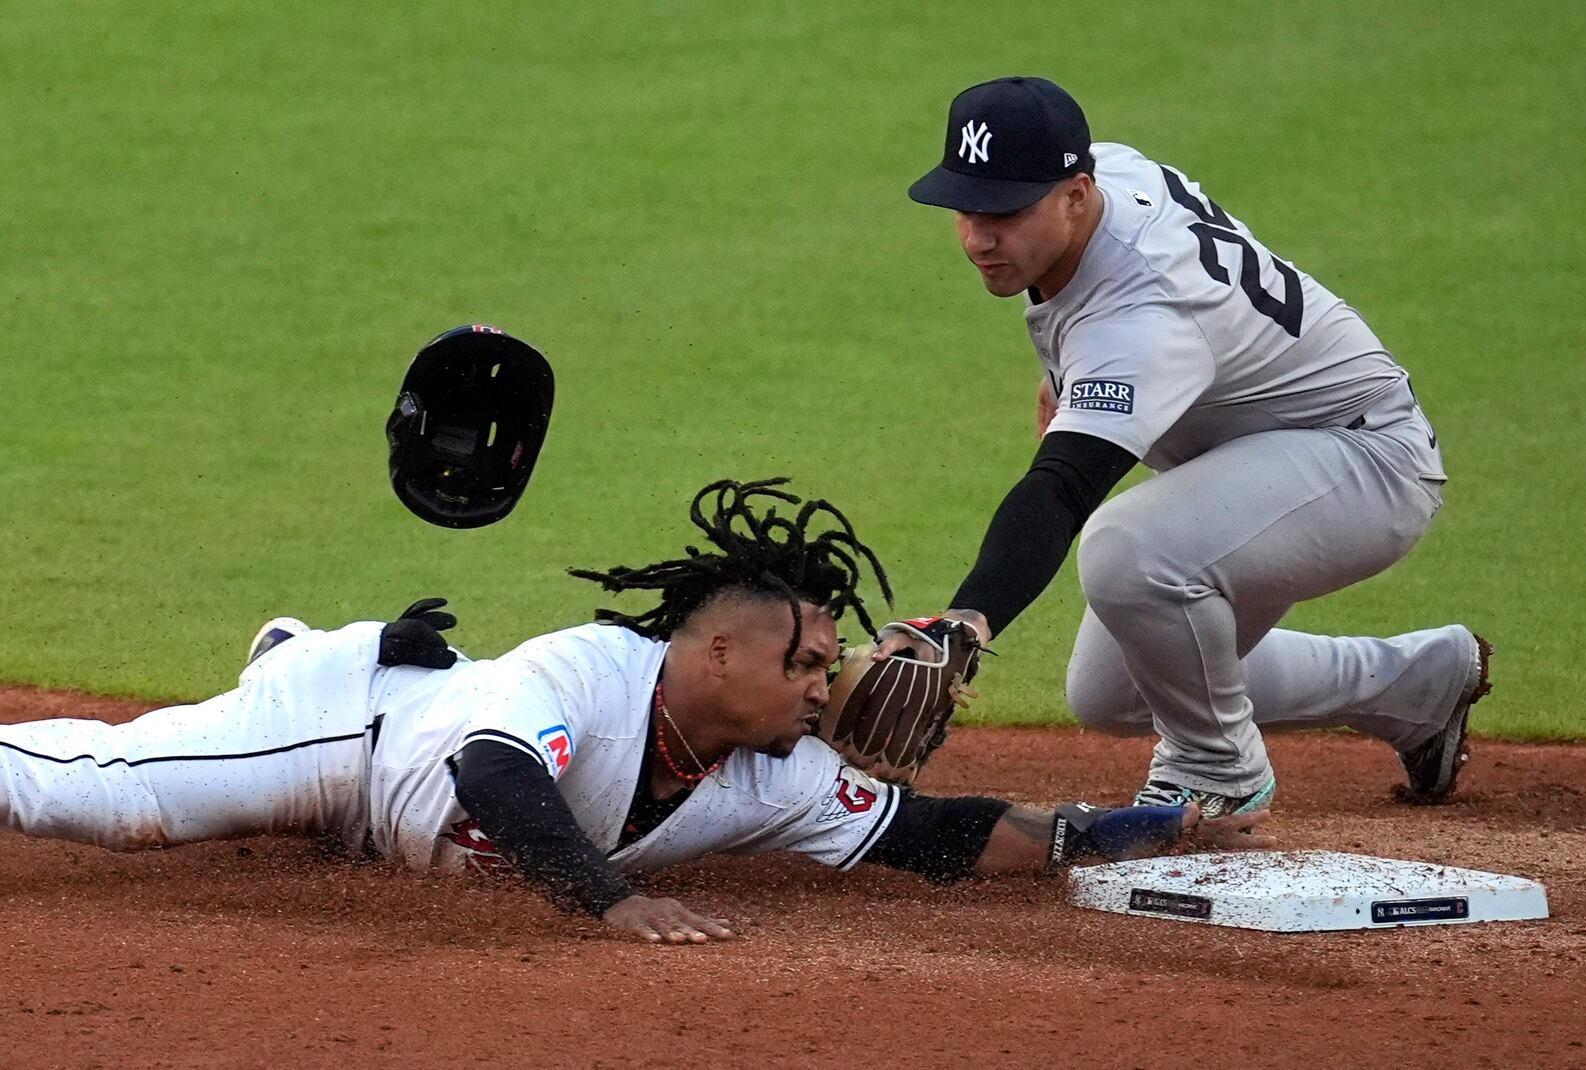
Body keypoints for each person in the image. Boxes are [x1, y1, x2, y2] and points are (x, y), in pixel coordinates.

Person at [0, 479, 1266, 945]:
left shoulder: (773, 773)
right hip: (352, 732)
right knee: (105, 800)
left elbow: (932, 834)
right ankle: (288, 667)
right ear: (717, 652)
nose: (827, 686)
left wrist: (1121, 830)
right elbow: (496, 773)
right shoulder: (590, 671)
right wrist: (611, 897)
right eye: (808, 662)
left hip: (387, 800)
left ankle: (273, 660)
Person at [886, 76, 1491, 818]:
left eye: (1006, 212)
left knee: (1127, 550)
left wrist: (967, 621)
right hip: (1268, 455)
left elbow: (1065, 486)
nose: (980, 238)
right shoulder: (1108, 175)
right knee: (1115, 691)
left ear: (1076, 192)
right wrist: (1074, 376)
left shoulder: (1145, 314)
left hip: (1363, 465)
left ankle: (1216, 771)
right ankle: (1416, 683)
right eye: (966, 209)